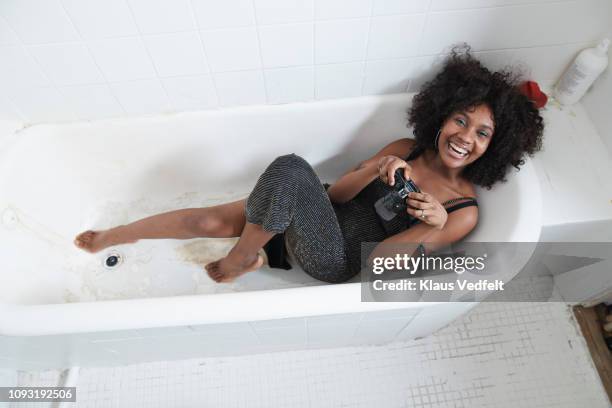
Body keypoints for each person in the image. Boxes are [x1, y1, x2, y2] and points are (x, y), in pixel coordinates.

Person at [74, 45, 544, 284]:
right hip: (319, 211)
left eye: (482, 133)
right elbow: (337, 195)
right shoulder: (407, 147)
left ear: (494, 147)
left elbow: (377, 265)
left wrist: (429, 226)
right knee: (211, 217)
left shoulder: (461, 211)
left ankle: (241, 258)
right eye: (460, 121)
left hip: (335, 257)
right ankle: (117, 235)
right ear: (443, 118)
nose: (465, 137)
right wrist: (376, 164)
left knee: (292, 169)